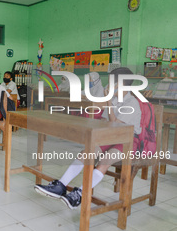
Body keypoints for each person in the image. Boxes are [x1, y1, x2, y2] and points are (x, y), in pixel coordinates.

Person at [34, 67, 142, 209]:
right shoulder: (114, 99)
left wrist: (108, 101)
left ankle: (80, 193)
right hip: (110, 135)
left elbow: (115, 122)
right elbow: (106, 121)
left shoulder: (131, 103)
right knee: (87, 152)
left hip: (128, 140)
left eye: (111, 84)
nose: (108, 86)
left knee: (105, 160)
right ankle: (61, 185)